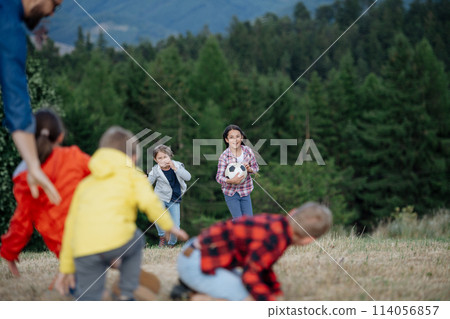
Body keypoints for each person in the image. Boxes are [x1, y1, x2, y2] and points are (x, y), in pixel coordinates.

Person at [54, 126, 188, 301]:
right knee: (138, 240)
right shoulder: (132, 176)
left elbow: (71, 225)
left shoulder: (85, 184)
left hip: (84, 249)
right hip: (118, 241)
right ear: (133, 157)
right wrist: (169, 226)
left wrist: (66, 267)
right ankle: (126, 292)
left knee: (89, 297)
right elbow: (149, 201)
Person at [173, 202, 332, 301]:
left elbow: (262, 266)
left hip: (196, 251)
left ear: (292, 212)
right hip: (196, 263)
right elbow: (250, 276)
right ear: (309, 240)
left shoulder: (276, 223)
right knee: (250, 300)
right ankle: (192, 297)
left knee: (259, 290)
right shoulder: (275, 240)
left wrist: (275, 290)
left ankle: (192, 288)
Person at [0, 109, 90, 277]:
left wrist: (10, 253)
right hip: (95, 233)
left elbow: (22, 221)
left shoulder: (26, 178)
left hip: (63, 247)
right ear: (60, 136)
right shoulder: (74, 157)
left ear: (28, 139)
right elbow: (103, 172)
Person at [0, 0, 64, 205]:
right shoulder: (9, 28)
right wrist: (33, 164)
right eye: (55, 5)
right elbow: (15, 98)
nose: (51, 14)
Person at [148, 145, 191, 248]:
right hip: (160, 197)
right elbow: (148, 183)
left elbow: (188, 177)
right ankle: (162, 236)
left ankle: (171, 244)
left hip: (175, 199)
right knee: (158, 216)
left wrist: (175, 168)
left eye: (165, 157)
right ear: (155, 160)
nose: (163, 160)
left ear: (170, 156)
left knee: (176, 226)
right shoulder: (155, 170)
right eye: (160, 158)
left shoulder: (178, 165)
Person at [216, 124, 259, 219]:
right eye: (231, 137)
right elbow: (219, 177)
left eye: (237, 136)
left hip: (245, 191)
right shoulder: (224, 156)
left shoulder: (248, 151)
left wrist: (250, 170)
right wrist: (230, 181)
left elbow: (256, 168)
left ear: (242, 137)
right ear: (226, 140)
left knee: (249, 221)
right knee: (238, 221)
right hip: (231, 193)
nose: (235, 140)